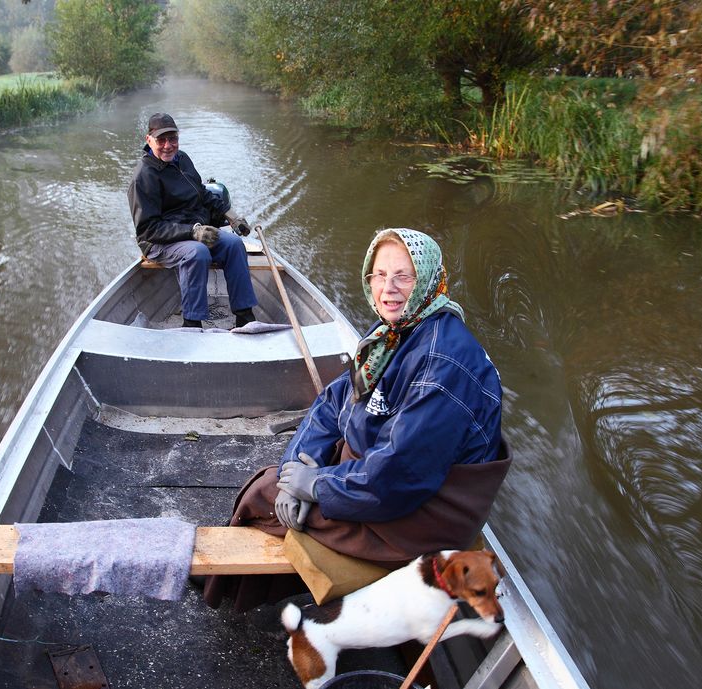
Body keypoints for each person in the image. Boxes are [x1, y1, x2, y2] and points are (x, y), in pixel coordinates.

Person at [203, 228, 511, 612]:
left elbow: (400, 476)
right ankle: (240, 590)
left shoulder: (442, 363)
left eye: (404, 276)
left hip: (421, 514)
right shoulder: (393, 331)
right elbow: (333, 402)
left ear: (430, 280)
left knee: (262, 496)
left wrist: (316, 487)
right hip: (379, 478)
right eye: (379, 275)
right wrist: (295, 471)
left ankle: (225, 598)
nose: (389, 289)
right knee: (277, 487)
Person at [127, 112, 258, 329]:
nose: (168, 145)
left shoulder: (183, 160)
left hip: (194, 232)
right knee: (198, 253)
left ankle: (244, 316)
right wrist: (193, 231)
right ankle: (192, 322)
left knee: (234, 245)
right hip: (159, 242)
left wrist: (231, 216)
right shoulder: (143, 177)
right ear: (148, 140)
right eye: (161, 140)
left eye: (173, 139)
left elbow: (202, 194)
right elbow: (148, 229)